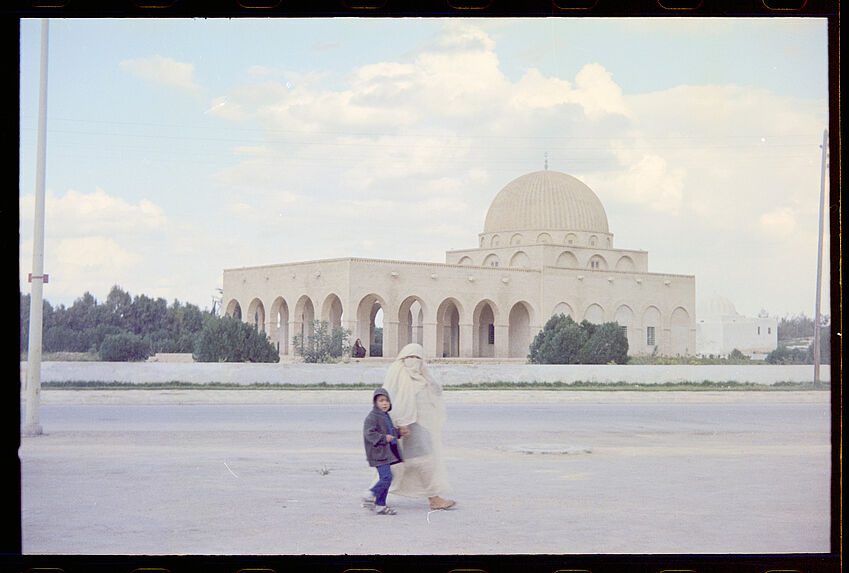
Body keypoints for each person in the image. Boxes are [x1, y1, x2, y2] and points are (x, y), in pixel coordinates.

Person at [382, 343, 456, 510]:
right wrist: (402, 423)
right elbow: (395, 401)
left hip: (422, 427)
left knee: (400, 465)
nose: (413, 361)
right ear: (403, 359)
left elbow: (437, 392)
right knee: (423, 463)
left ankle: (374, 494)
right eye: (409, 357)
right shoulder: (400, 377)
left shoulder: (422, 379)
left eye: (417, 358)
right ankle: (434, 499)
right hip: (408, 428)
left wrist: (427, 375)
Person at [362, 387, 402, 515]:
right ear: (375, 403)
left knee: (387, 478)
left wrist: (399, 433)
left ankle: (380, 505)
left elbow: (389, 431)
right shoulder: (372, 417)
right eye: (381, 401)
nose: (384, 403)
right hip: (377, 452)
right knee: (387, 477)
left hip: (385, 452)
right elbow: (369, 434)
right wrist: (383, 438)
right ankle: (370, 493)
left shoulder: (385, 416)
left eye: (386, 401)